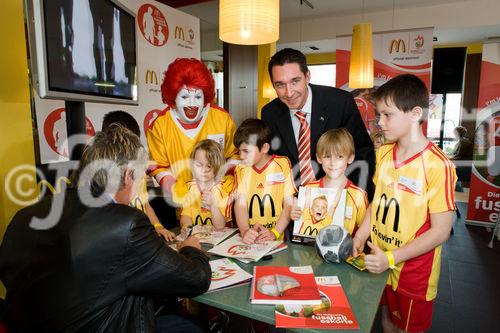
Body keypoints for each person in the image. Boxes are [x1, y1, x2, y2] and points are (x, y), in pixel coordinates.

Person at [0, 125, 211, 332]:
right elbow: (196, 279)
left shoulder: (25, 216)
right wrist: (190, 249)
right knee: (190, 326)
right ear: (128, 175)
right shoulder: (127, 224)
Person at [352, 74, 456, 333]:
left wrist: (393, 258)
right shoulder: (385, 152)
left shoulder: (437, 164)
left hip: (414, 271)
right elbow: (378, 201)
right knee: (386, 320)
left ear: (415, 113)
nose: (380, 122)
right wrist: (362, 232)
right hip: (379, 256)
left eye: (387, 115)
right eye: (379, 114)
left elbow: (441, 231)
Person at [261, 48, 375, 194]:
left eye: (295, 81)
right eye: (280, 85)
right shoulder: (269, 113)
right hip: (292, 204)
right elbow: (270, 161)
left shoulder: (340, 103)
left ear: (307, 76)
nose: (289, 93)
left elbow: (363, 152)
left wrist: (352, 196)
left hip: (340, 196)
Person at [147, 58, 239, 204]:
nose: (192, 104)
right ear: (173, 97)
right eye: (184, 96)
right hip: (183, 208)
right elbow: (158, 166)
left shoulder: (222, 119)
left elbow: (235, 154)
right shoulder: (159, 125)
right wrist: (178, 191)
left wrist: (219, 183)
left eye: (197, 96)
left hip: (220, 204)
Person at [102, 110, 175, 241]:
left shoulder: (138, 173)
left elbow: (144, 203)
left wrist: (158, 226)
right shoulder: (104, 180)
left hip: (143, 236)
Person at [291, 128, 368, 236]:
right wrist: (295, 215)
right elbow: (300, 221)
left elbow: (365, 231)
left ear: (350, 158)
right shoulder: (309, 188)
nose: (333, 163)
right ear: (319, 158)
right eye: (327, 156)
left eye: (339, 157)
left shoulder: (358, 195)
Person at [233, 118, 296, 244]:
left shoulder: (282, 164)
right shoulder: (241, 169)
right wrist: (245, 231)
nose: (241, 156)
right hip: (250, 239)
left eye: (246, 151)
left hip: (277, 238)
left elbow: (289, 204)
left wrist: (275, 232)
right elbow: (240, 205)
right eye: (239, 151)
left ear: (265, 148)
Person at [180, 139, 231, 232]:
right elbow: (186, 214)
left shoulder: (223, 188)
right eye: (199, 165)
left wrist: (213, 205)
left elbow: (221, 225)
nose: (203, 170)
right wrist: (185, 225)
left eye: (209, 166)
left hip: (220, 238)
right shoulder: (191, 187)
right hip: (198, 238)